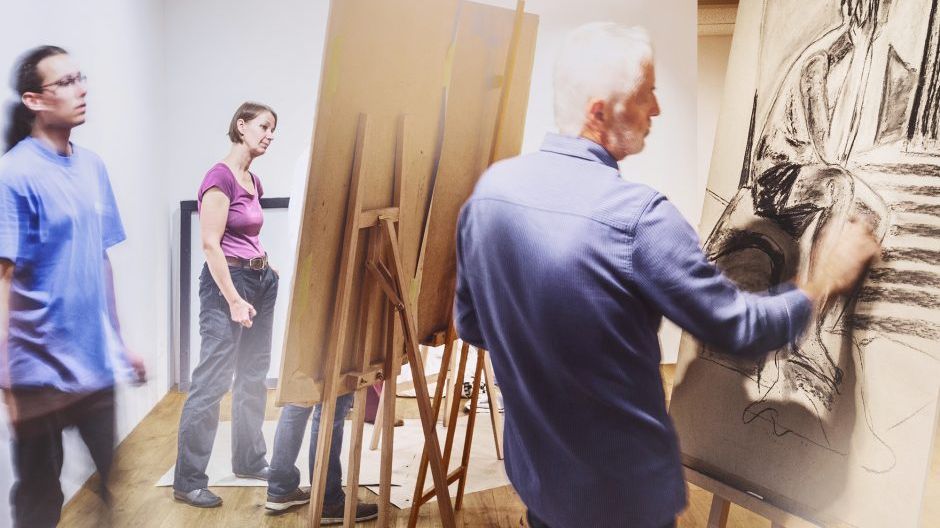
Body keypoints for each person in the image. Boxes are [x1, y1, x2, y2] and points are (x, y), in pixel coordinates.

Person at [453, 22, 880, 528]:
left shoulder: (491, 195)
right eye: (645, 93)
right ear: (599, 112)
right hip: (623, 501)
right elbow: (739, 329)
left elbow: (472, 325)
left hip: (540, 485)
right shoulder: (639, 220)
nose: (656, 108)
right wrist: (823, 279)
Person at [0, 45, 146, 528]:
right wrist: (6, 377)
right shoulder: (13, 174)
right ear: (34, 100)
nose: (81, 89)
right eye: (65, 82)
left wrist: (120, 343)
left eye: (80, 78)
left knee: (112, 484)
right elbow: (3, 278)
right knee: (40, 500)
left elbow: (99, 260)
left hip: (94, 366)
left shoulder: (92, 167)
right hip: (36, 374)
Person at [173, 102, 279, 508]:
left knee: (253, 374)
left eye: (273, 129)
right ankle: (188, 480)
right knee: (212, 380)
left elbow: (248, 236)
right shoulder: (219, 178)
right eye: (264, 126)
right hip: (227, 286)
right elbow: (209, 245)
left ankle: (249, 460)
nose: (270, 135)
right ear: (241, 125)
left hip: (259, 280)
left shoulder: (253, 179)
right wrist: (234, 299)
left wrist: (266, 268)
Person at [263, 148, 378, 523]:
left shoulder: (309, 154)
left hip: (305, 286)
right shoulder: (340, 157)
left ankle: (280, 488)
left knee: (300, 393)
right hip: (333, 291)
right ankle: (328, 500)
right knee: (335, 402)